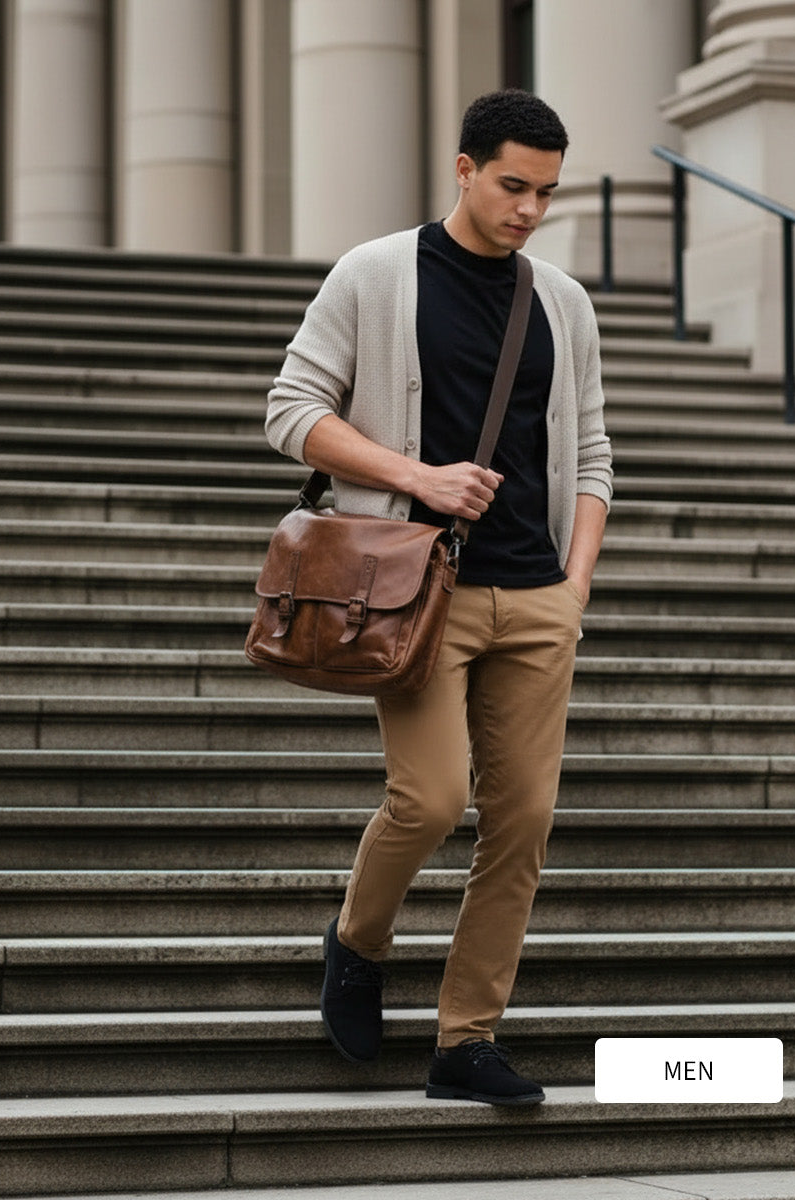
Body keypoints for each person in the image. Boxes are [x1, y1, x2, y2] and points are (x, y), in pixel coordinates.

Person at [264, 89, 611, 1106]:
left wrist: (576, 582)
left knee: (525, 819)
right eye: (513, 185)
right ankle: (356, 942)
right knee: (430, 796)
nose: (530, 210)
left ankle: (467, 1039)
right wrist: (420, 477)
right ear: (463, 169)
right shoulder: (377, 274)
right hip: (421, 591)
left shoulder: (563, 301)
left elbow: (591, 456)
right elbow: (290, 412)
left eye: (546, 191)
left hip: (537, 597)